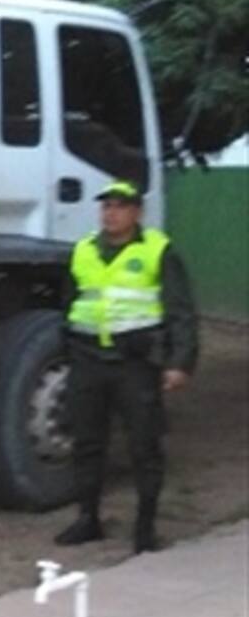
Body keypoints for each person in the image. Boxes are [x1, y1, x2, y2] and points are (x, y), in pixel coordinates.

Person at [55, 179, 198, 554]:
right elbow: (69, 303)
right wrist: (69, 347)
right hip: (89, 359)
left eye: (119, 206)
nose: (111, 213)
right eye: (106, 206)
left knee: (144, 445)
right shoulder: (84, 250)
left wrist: (179, 362)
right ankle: (88, 519)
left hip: (135, 363)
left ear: (137, 212)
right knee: (87, 442)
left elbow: (181, 311)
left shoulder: (158, 251)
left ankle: (145, 529)